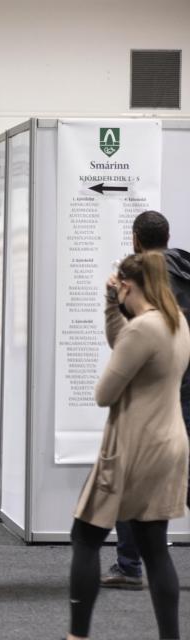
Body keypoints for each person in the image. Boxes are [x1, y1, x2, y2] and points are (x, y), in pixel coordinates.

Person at [67, 252, 188, 640]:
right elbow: (125, 341)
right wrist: (110, 305)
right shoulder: (176, 323)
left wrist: (115, 306)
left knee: (84, 536)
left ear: (128, 285)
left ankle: (77, 635)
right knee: (154, 547)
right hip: (168, 442)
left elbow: (105, 393)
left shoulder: (144, 329)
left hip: (132, 448)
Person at [102, 210, 190, 591]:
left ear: (136, 237)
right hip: (186, 386)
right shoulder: (188, 269)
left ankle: (128, 564)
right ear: (167, 236)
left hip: (152, 393)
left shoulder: (137, 277)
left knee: (130, 476)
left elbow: (125, 339)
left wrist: (113, 301)